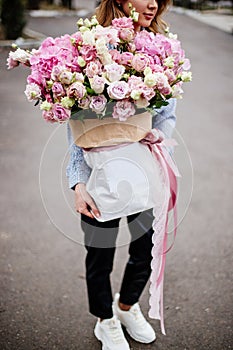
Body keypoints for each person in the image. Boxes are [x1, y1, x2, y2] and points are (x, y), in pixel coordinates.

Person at [66, 0, 176, 349]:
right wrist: (77, 181)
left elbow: (166, 117)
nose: (154, 3)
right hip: (99, 174)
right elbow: (77, 126)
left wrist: (161, 145)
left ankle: (127, 307)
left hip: (143, 168)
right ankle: (105, 319)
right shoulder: (89, 48)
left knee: (144, 249)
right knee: (100, 253)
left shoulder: (163, 51)